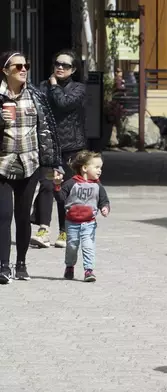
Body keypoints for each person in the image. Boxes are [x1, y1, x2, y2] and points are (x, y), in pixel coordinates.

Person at [0, 51, 63, 283]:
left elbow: (46, 131)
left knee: (23, 217)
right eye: (17, 67)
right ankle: (3, 266)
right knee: (3, 216)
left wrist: (54, 164)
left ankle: (21, 264)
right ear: (5, 71)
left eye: (26, 65)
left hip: (29, 164)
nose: (24, 69)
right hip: (3, 165)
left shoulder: (36, 95)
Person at [31, 50, 87, 249]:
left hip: (72, 147)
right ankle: (44, 229)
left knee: (63, 190)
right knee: (46, 186)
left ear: (73, 70)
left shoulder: (78, 89)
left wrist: (54, 86)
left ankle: (64, 231)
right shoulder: (42, 87)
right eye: (57, 63)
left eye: (65, 65)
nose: (60, 67)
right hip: (48, 146)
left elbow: (63, 104)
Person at [54, 150, 110, 282]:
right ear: (84, 168)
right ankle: (69, 266)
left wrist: (105, 208)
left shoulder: (97, 185)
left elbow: (104, 199)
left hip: (89, 223)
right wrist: (57, 185)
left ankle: (88, 271)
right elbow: (60, 198)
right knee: (72, 246)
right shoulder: (71, 183)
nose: (99, 170)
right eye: (96, 167)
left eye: (100, 168)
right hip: (72, 222)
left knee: (88, 246)